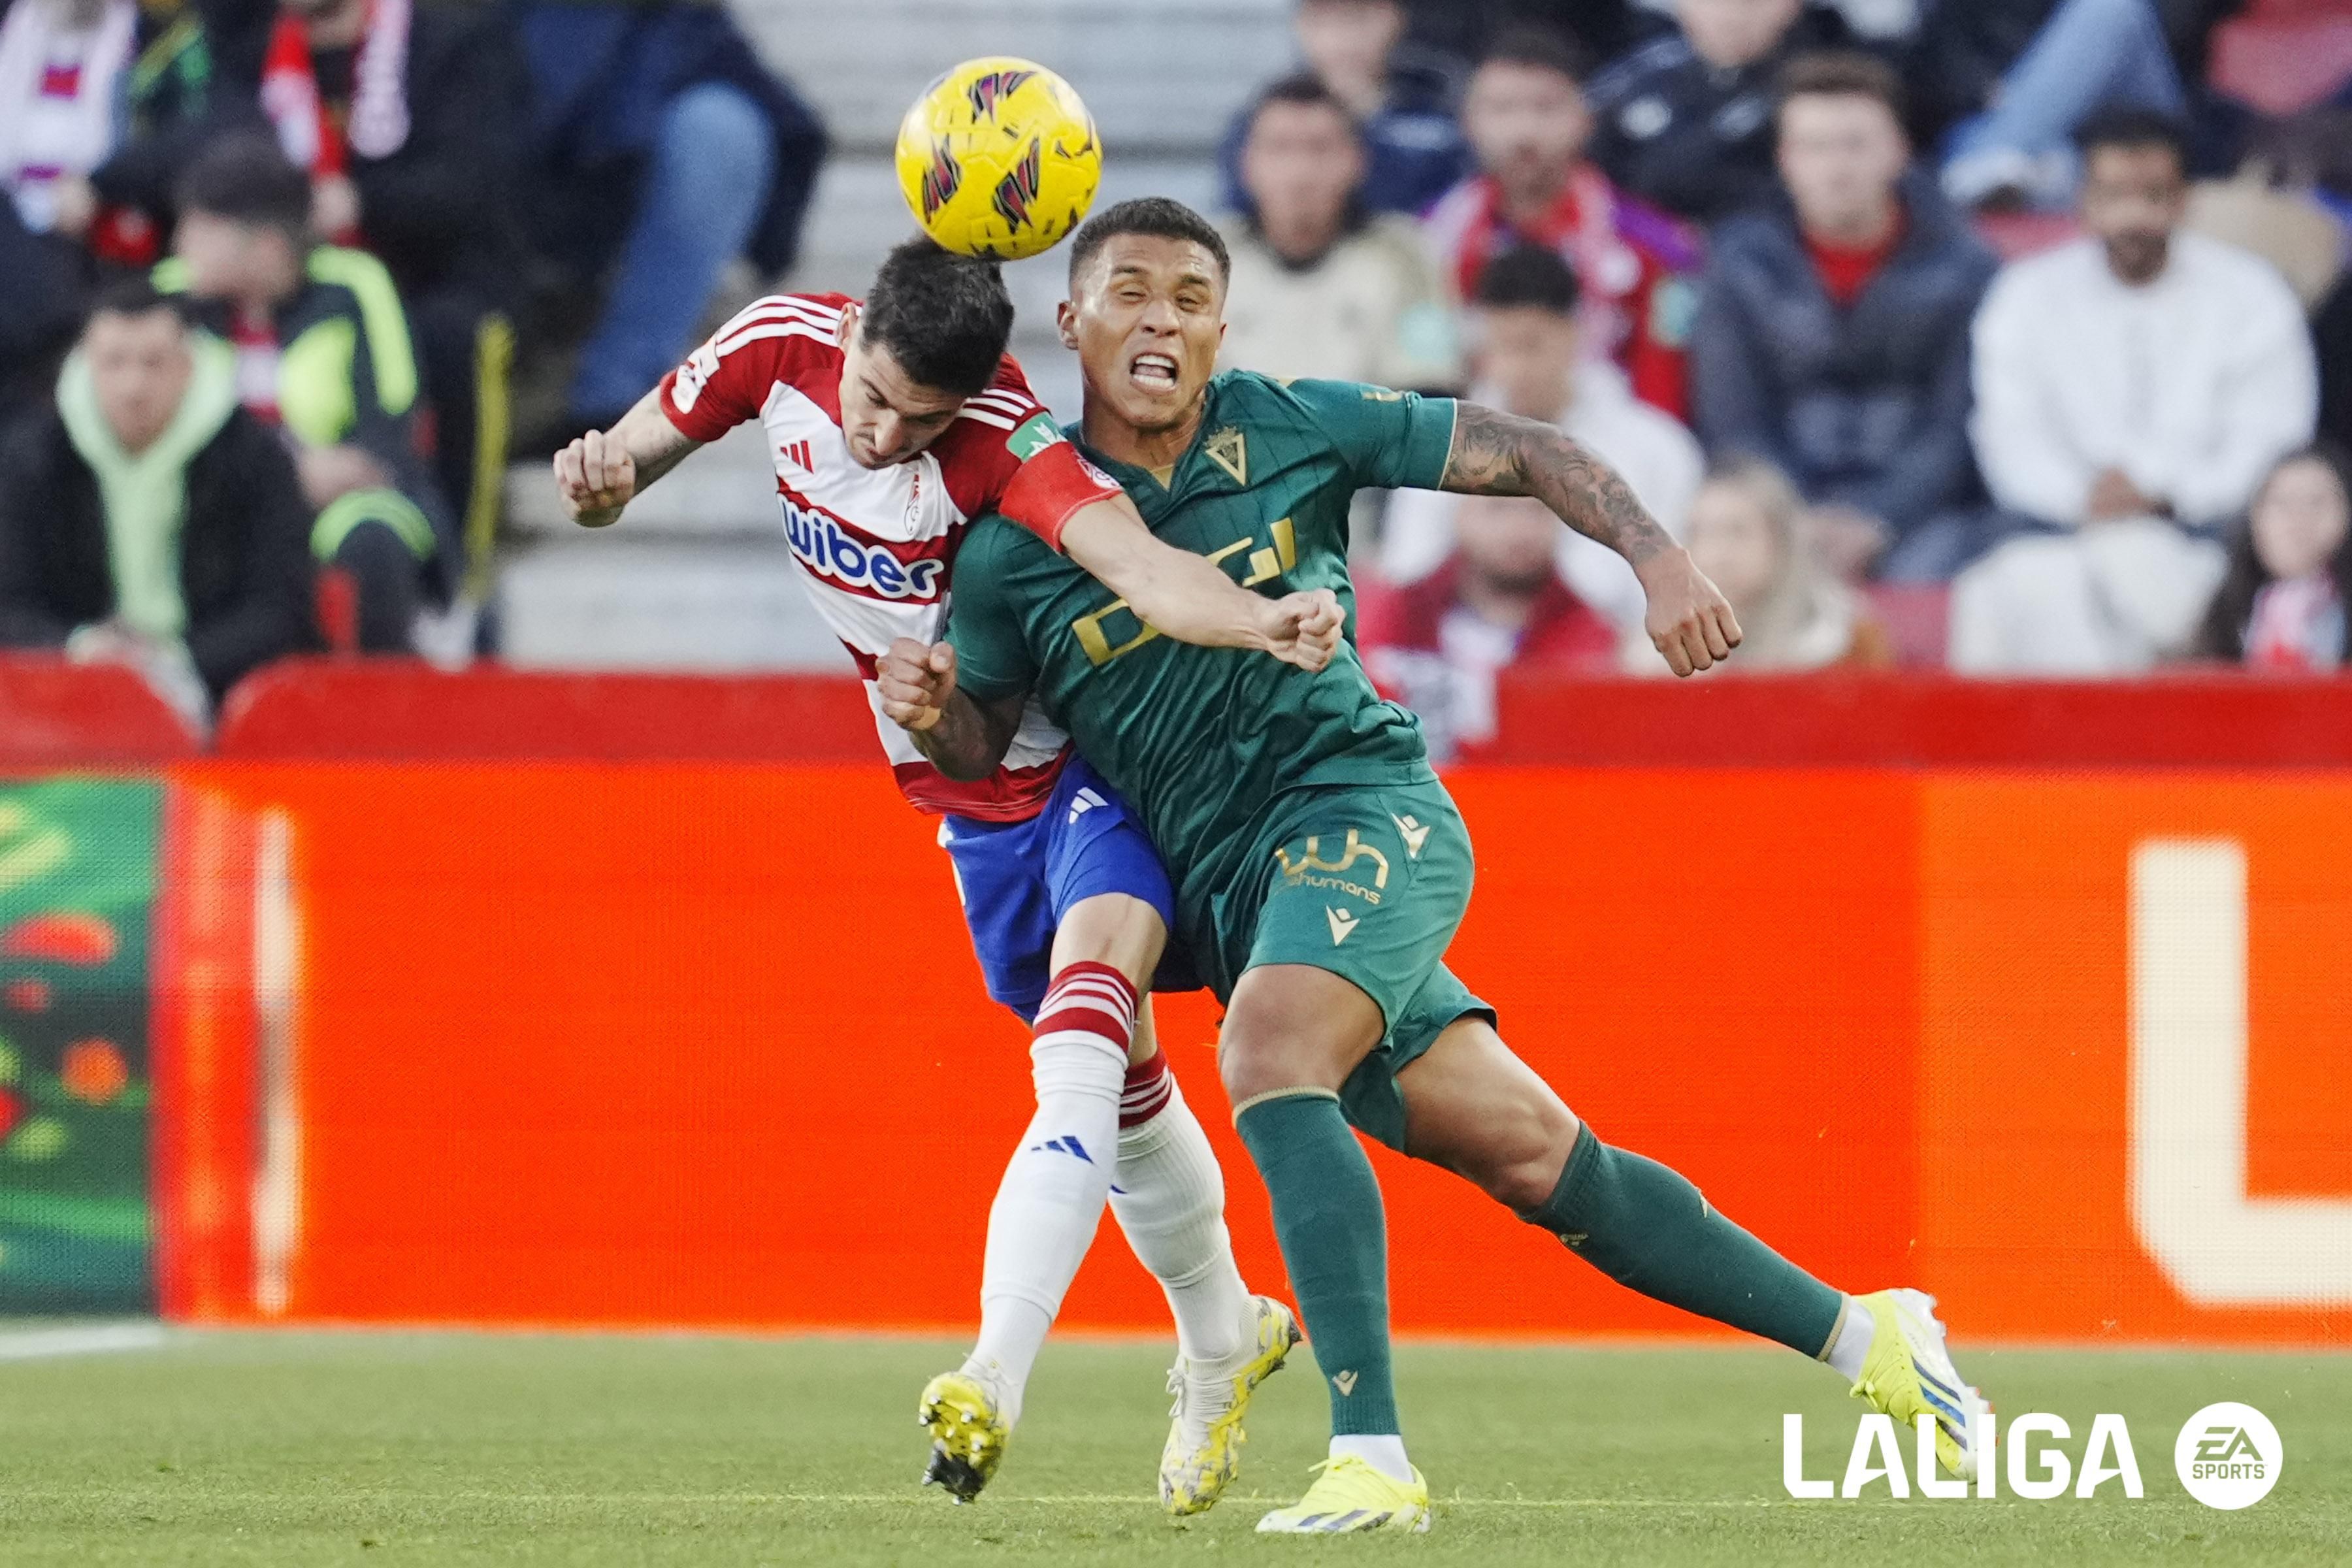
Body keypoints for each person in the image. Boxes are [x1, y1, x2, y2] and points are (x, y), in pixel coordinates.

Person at [880, 197, 1984, 1534]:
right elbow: (988, 736)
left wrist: (1657, 554)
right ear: (1071, 322)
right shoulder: (1018, 542)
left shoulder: (1291, 424)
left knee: (1272, 1057)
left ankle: (1371, 1457)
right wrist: (935, 705)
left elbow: (1519, 446)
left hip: (1363, 808)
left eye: (1187, 296)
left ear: (1222, 326)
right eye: (1129, 291)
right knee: (1540, 1161)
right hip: (1241, 895)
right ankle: (1873, 1338)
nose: (1159, 317)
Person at [549, 236, 1358, 1514]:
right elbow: (622, 469)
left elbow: (1142, 571)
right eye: (873, 400)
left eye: (920, 422)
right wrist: (596, 482)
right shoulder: (776, 344)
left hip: (1098, 759)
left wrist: (1261, 619)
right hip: (962, 792)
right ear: (854, 330)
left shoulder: (1011, 447)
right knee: (1124, 1082)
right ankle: (1223, 1336)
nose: (881, 437)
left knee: (1084, 1035)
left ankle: (995, 1374)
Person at [1953, 108, 2318, 675]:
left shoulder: (2250, 295)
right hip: (2055, 522)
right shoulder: (2025, 295)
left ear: (2184, 202)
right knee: (2014, 583)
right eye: (2114, 195)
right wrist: (2089, 502)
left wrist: (2163, 495)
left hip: (2209, 524)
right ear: (2084, 204)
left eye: (2154, 195)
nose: (2135, 215)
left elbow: (2271, 440)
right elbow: (2009, 436)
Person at [240, 0, 529, 602]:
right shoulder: (251, 42)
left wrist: (362, 203)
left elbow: (475, 178)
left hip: (430, 276)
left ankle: (457, 580)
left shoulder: (453, 39)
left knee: (454, 343)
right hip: (294, 279)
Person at [1690, 51, 1998, 582]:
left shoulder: (1968, 267)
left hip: (1927, 518)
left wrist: (1878, 520)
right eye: (1815, 147)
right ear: (1786, 159)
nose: (1836, 166)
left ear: (1899, 151)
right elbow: (1734, 419)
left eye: (1855, 144)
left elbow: (1959, 425)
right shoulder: (1737, 265)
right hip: (1775, 512)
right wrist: (1795, 519)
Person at [161, 131, 456, 655]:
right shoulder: (168, 300)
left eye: (202, 229)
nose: (182, 243)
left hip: (339, 498)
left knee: (375, 535)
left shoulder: (355, 287)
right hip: (209, 501)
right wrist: (279, 477)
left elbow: (392, 420)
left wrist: (343, 468)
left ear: (268, 245)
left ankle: (384, 706)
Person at [514, 0, 827, 440]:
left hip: (602, 256)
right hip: (473, 262)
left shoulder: (678, 24)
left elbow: (784, 128)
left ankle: (613, 412)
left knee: (720, 129)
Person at [0, 280, 313, 716]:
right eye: (114, 363)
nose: (134, 386)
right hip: (66, 696)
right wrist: (84, 647)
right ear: (84, 363)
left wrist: (174, 663)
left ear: (188, 365)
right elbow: (11, 604)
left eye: (154, 363)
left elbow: (280, 609)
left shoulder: (254, 457)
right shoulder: (30, 459)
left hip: (226, 696)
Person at [1382, 244, 1701, 634]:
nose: (1514, 369)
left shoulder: (1656, 449)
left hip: (1612, 662)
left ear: (1574, 335)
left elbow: (1674, 588)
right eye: (1499, 347)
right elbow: (1406, 575)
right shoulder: (1439, 443)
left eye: (1530, 346)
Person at [1424, 27, 1703, 417]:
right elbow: (1420, 374)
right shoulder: (1429, 240)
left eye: (1546, 108)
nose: (1525, 132)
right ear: (1469, 121)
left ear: (1585, 120)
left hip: (1616, 443)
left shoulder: (1659, 247)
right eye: (1503, 109)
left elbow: (1664, 392)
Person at [1217, 74, 1461, 390]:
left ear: (1357, 161)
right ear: (1247, 164)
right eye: (1280, 148)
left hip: (1372, 440)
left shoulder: (1408, 256)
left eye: (1320, 149)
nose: (1300, 172)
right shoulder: (1204, 258)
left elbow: (1431, 386)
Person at [1360, 493, 1616, 757]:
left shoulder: (1588, 636)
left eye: (1538, 511)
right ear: (1459, 514)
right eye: (1498, 508)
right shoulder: (1397, 615)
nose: (1519, 528)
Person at [1584, 0, 1855, 225]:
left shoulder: (1819, 89)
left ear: (1789, 8)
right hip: (1633, 246)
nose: (1730, 15)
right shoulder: (1641, 73)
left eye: (1749, 3)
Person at [1627, 455, 1892, 672]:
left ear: (1782, 543)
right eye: (1698, 534)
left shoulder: (1845, 642)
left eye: (1736, 532)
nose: (1713, 555)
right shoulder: (1656, 654)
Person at [1219, 0, 1469, 219]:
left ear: (1394, 19)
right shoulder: (1260, 123)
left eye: (1358, 17)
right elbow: (1240, 215)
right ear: (1301, 25)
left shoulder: (1441, 112)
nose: (1343, 37)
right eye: (1324, 19)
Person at [2193, 444, 2352, 672]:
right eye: (2282, 503)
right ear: (2254, 518)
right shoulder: (2226, 615)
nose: (2298, 520)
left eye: (2316, 502)